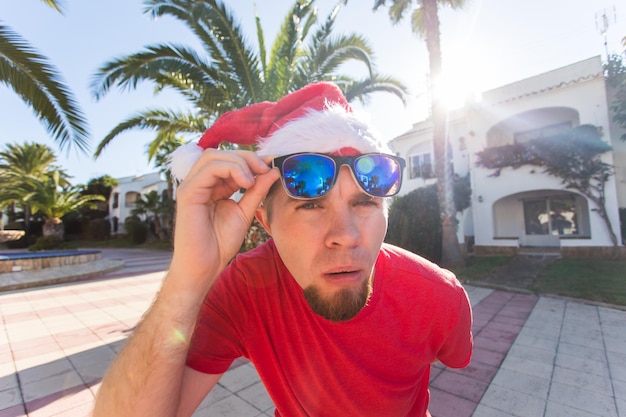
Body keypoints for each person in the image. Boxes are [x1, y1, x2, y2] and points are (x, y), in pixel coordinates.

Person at [92, 82, 473, 417]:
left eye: (364, 203)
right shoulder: (244, 289)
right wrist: (187, 278)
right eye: (310, 205)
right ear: (264, 219)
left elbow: (456, 359)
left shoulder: (438, 295)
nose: (346, 236)